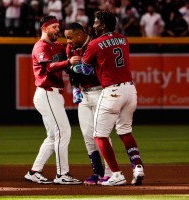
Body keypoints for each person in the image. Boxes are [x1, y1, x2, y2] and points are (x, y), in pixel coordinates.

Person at [72, 10, 145, 186]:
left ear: (103, 25)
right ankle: (138, 167)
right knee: (125, 131)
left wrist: (72, 66)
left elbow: (84, 67)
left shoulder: (95, 43)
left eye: (96, 23)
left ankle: (116, 174)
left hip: (112, 91)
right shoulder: (123, 39)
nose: (94, 26)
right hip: (130, 90)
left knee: (99, 135)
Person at [24, 15, 82, 185]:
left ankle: (34, 171)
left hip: (54, 94)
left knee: (52, 136)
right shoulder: (40, 46)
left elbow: (70, 54)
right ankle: (62, 174)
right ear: (44, 28)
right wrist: (68, 62)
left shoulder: (57, 46)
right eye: (54, 27)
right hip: (46, 93)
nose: (58, 30)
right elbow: (49, 67)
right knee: (63, 132)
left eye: (58, 26)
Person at [64, 22, 113, 185]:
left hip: (100, 91)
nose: (68, 42)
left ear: (79, 34)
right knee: (87, 135)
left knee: (102, 133)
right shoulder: (70, 49)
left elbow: (103, 69)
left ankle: (111, 172)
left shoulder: (95, 44)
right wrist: (74, 86)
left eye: (70, 38)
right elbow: (68, 70)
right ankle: (97, 173)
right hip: (84, 94)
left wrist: (80, 66)